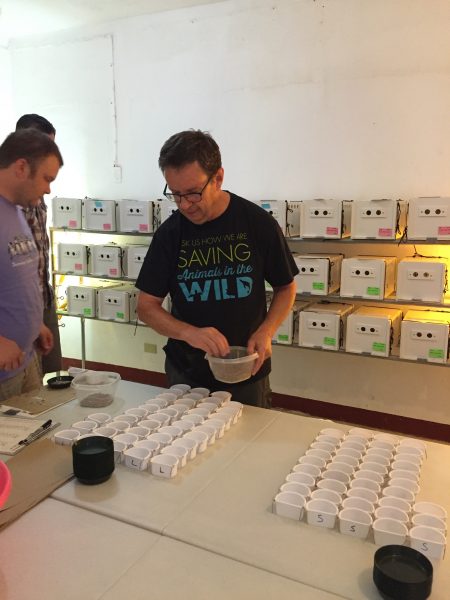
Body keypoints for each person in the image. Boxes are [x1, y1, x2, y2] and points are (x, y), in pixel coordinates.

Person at [136, 130, 298, 408]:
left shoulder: (257, 224)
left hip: (247, 369)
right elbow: (146, 306)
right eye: (175, 194)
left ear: (218, 178)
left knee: (247, 445)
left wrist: (266, 331)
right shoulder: (170, 235)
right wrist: (189, 333)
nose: (185, 204)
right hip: (186, 373)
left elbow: (286, 287)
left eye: (193, 193)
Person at [0, 129, 63, 402]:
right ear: (22, 167)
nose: (48, 188)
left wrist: (35, 324)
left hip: (26, 361)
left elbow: (18, 277)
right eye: (46, 178)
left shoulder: (16, 209)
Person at [15, 114, 62, 376]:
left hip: (41, 299)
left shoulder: (38, 189)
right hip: (16, 312)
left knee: (52, 377)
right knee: (20, 400)